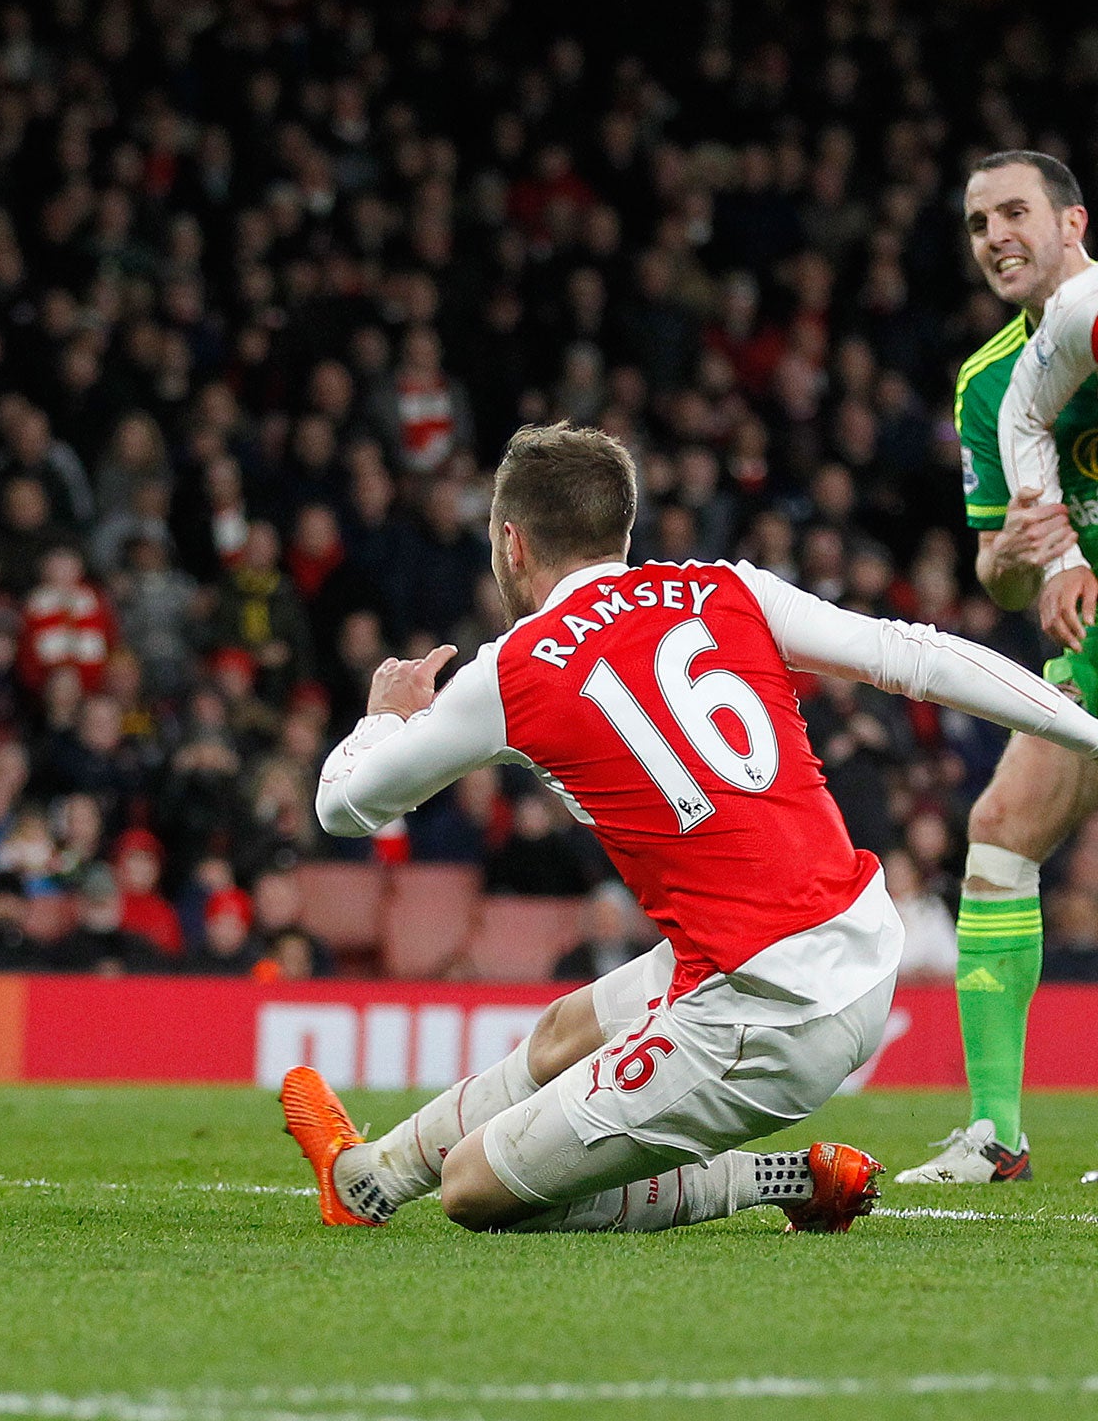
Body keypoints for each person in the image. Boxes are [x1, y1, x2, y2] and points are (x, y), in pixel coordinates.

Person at [283, 422, 1098, 1236]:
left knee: (472, 1189)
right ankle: (371, 1175)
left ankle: (773, 1179)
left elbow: (343, 807)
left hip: (770, 1010)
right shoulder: (727, 587)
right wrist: (1086, 730)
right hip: (855, 937)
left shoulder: (512, 670)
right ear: (625, 531)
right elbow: (917, 657)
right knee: (567, 1029)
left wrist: (383, 719)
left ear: (511, 541)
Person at [898, 150, 1098, 1185]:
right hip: (1081, 640)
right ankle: (994, 1133)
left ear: (1071, 221)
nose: (994, 238)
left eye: (1013, 212)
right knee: (997, 833)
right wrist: (1011, 560)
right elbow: (997, 580)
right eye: (978, 223)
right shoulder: (984, 384)